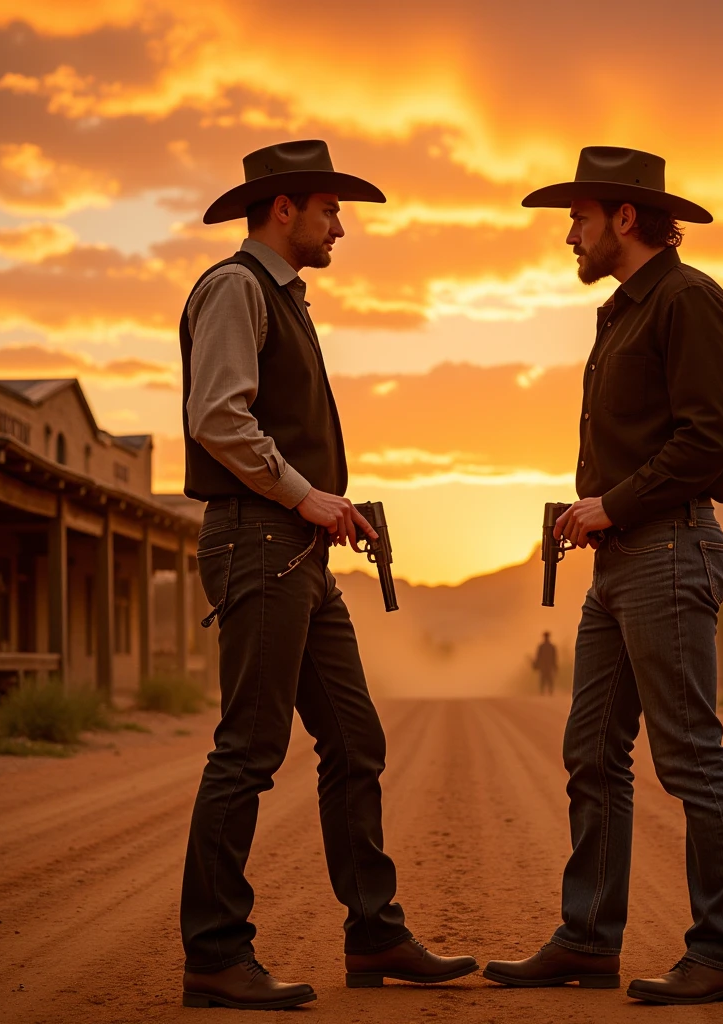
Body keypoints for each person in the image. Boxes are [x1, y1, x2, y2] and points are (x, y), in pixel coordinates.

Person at [178, 140, 477, 1011]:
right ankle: (214, 953)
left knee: (353, 740)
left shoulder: (281, 298)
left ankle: (375, 933)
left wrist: (323, 506)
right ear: (284, 210)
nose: (341, 225)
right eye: (330, 210)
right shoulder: (236, 288)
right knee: (248, 750)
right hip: (260, 545)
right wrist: (308, 496)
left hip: (293, 551)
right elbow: (218, 418)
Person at [484, 147, 723, 1005]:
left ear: (624, 218)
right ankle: (589, 939)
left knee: (690, 758)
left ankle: (721, 954)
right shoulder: (624, 312)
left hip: (670, 551)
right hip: (625, 560)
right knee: (592, 753)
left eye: (578, 218)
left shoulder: (689, 300)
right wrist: (593, 511)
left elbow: (710, 444)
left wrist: (611, 505)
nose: (569, 234)